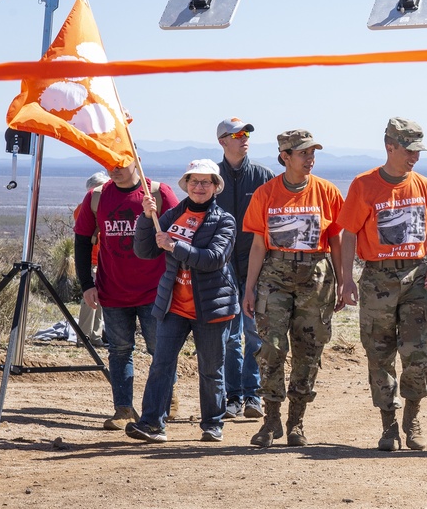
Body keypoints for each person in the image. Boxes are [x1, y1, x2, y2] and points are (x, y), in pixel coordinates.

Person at [338, 117, 427, 452]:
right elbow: (348, 234)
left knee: (417, 352)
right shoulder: (364, 185)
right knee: (379, 353)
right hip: (377, 278)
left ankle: (412, 419)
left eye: (418, 151)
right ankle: (389, 427)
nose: (414, 157)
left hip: (415, 275)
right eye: (409, 150)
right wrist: (346, 280)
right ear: (390, 147)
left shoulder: (424, 186)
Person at [242, 130, 345, 448]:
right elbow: (258, 244)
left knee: (308, 352)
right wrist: (249, 289)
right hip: (274, 274)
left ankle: (296, 422)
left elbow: (337, 240)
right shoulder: (266, 193)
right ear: (285, 156)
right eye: (303, 153)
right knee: (272, 348)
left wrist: (343, 282)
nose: (310, 158)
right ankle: (270, 420)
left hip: (315, 276)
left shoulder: (326, 191)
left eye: (313, 152)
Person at [125, 159, 238, 443]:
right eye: (194, 181)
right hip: (173, 304)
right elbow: (145, 250)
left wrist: (175, 246)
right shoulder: (173, 214)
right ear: (186, 184)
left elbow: (213, 259)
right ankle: (152, 423)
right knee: (161, 364)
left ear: (215, 187)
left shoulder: (224, 220)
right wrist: (144, 218)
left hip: (212, 306)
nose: (199, 187)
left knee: (211, 370)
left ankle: (213, 424)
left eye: (206, 182)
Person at [74, 160, 178, 430]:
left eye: (121, 163)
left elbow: (181, 235)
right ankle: (123, 409)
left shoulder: (159, 193)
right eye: (109, 164)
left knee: (161, 350)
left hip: (156, 291)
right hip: (113, 290)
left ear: (137, 163)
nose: (115, 169)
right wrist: (87, 283)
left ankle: (166, 403)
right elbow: (82, 239)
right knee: (119, 351)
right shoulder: (96, 198)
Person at [214, 117, 274, 420]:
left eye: (247, 132)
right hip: (222, 270)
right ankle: (232, 398)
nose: (244, 137)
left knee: (254, 334)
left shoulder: (264, 177)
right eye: (237, 134)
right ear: (223, 141)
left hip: (257, 269)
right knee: (228, 336)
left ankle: (254, 396)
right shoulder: (211, 178)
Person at [74, 171, 109, 348]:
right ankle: (83, 337)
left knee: (101, 299)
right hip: (93, 261)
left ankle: (95, 336)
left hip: (104, 260)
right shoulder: (84, 209)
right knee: (89, 299)